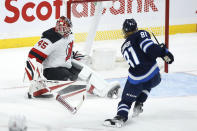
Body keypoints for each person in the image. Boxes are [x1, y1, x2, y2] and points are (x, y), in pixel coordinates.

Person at [24, 16, 120, 99]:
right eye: (62, 28)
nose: (64, 30)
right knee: (73, 80)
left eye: (66, 28)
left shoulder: (70, 36)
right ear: (57, 26)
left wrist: (73, 55)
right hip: (51, 70)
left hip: (65, 65)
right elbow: (32, 57)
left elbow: (62, 51)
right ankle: (98, 91)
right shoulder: (49, 39)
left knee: (84, 71)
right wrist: (35, 79)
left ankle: (105, 88)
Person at [103, 18, 174, 127]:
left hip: (136, 81)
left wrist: (159, 50)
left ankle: (120, 117)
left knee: (126, 101)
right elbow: (150, 49)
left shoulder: (123, 46)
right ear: (136, 28)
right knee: (147, 83)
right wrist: (164, 51)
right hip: (155, 77)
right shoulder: (141, 33)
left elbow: (144, 51)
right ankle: (139, 103)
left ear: (125, 31)